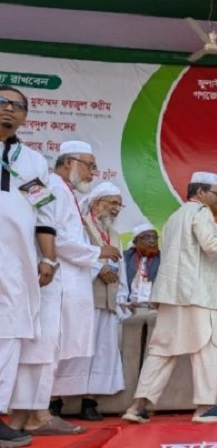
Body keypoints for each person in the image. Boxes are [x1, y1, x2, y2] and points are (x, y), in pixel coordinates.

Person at [122, 172, 217, 424]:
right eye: (216, 193)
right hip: (197, 294)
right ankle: (205, 407)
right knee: (209, 347)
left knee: (162, 351)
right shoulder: (201, 213)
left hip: (171, 296)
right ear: (200, 192)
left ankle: (137, 407)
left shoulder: (174, 218)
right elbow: (210, 244)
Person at [10, 141, 121, 437]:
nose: (92, 173)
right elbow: (55, 238)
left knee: (47, 352)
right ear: (68, 162)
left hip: (66, 285)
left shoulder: (65, 191)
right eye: (89, 166)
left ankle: (27, 417)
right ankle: (37, 415)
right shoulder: (55, 188)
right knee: (43, 351)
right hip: (54, 285)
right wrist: (98, 252)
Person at [0, 85, 58, 447]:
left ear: (25, 117)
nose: (9, 109)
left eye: (18, 106)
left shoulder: (33, 161)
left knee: (8, 333)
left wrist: (48, 258)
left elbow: (44, 213)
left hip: (15, 263)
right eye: (2, 102)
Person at [50, 182, 128, 421]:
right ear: (96, 202)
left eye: (119, 204)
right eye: (112, 203)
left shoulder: (114, 235)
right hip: (83, 298)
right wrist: (98, 268)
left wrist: (121, 297)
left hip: (107, 301)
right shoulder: (80, 225)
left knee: (101, 352)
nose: (116, 208)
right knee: (73, 349)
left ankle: (90, 401)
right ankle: (54, 401)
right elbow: (71, 253)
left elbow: (122, 269)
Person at [121, 224, 161, 315]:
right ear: (135, 242)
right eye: (146, 237)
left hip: (154, 308)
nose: (152, 241)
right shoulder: (126, 257)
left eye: (155, 238)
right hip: (129, 308)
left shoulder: (163, 258)